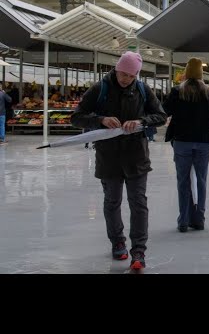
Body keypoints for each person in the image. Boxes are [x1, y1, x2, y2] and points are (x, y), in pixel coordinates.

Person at [71, 52, 167, 270]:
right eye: (123, 74)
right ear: (116, 69)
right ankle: (118, 243)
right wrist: (100, 120)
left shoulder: (143, 90)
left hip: (136, 156)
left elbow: (161, 116)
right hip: (109, 157)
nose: (126, 79)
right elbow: (76, 117)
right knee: (112, 201)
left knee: (138, 203)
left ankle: (139, 251)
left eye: (131, 76)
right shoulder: (100, 88)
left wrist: (141, 121)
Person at [162, 58, 209, 233]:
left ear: (186, 73)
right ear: (201, 74)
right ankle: (199, 220)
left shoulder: (177, 91)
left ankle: (183, 220)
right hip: (204, 142)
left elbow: (164, 110)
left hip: (182, 141)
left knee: (183, 181)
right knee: (201, 181)